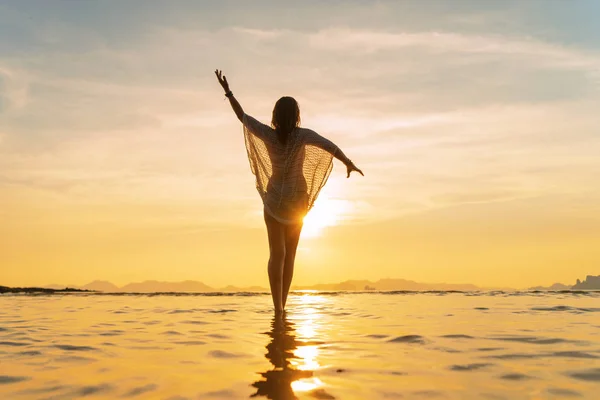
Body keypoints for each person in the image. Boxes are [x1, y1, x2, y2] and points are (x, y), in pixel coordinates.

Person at [215, 70, 363, 314]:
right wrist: (348, 162)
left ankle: (278, 309)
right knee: (290, 254)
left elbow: (242, 117)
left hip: (274, 199)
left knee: (277, 253)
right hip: (296, 201)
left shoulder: (268, 134)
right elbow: (331, 147)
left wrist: (228, 92)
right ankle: (282, 307)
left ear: (275, 116)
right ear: (296, 116)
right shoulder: (303, 135)